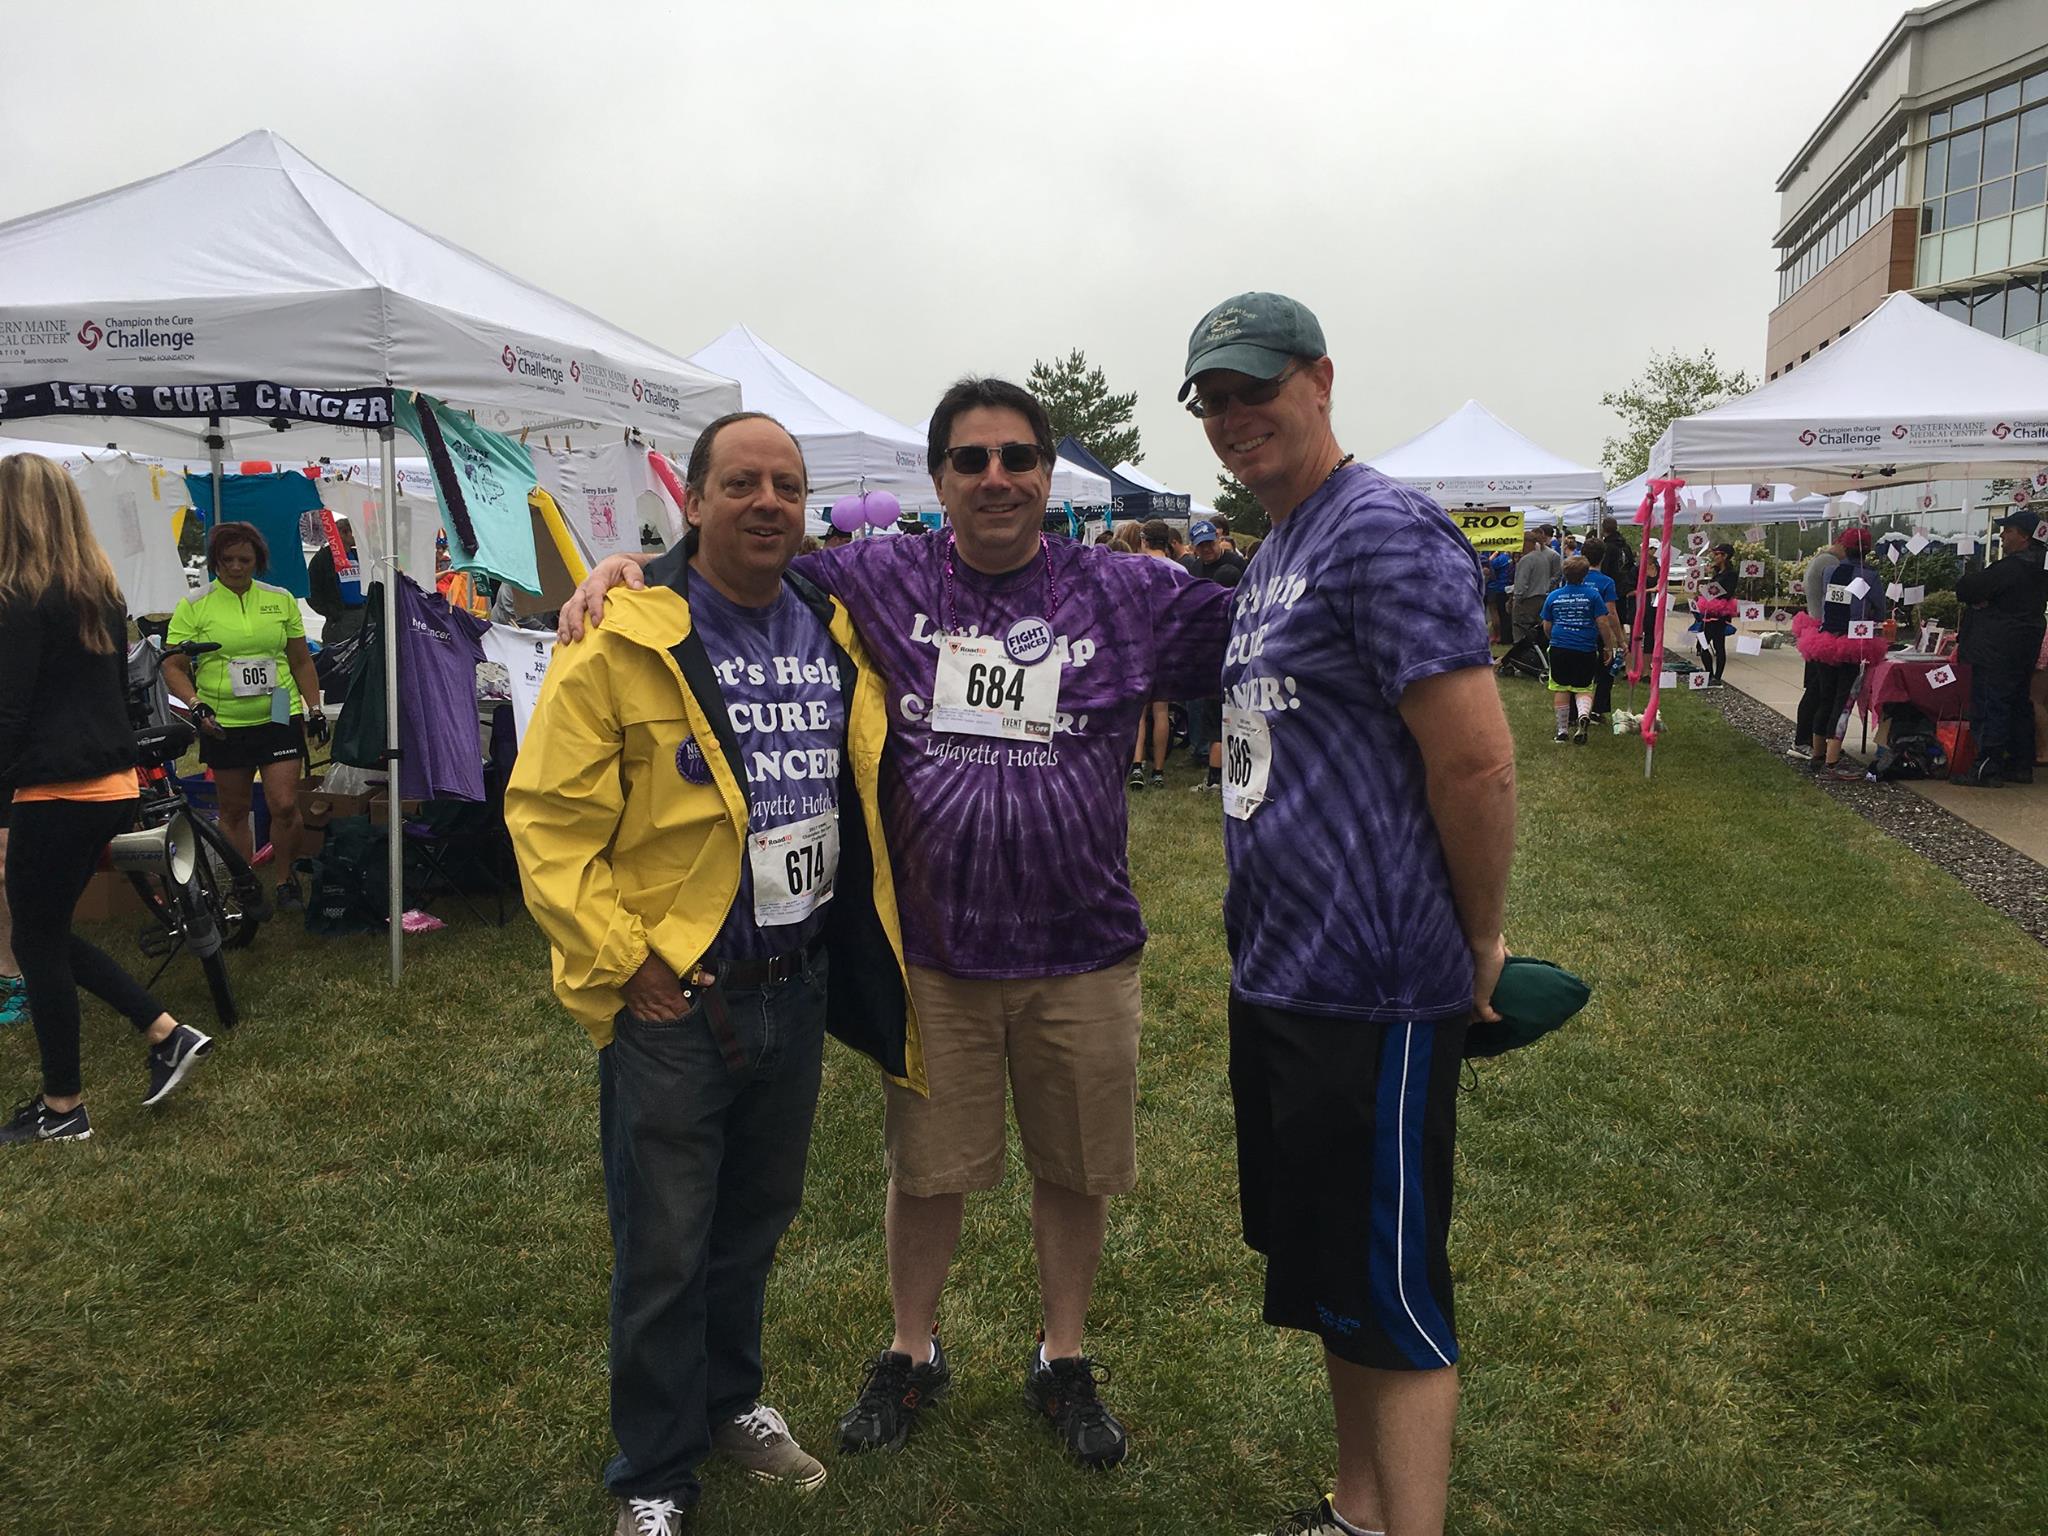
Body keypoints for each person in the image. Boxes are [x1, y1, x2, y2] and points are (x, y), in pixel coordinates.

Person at [559, 377, 1233, 1473]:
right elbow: (736, 564)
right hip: (935, 953)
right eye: (970, 460)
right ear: (937, 480)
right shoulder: (875, 578)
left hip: (1083, 948)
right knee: (927, 1170)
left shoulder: (1125, 590)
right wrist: (628, 569)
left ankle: (1063, 1356)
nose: (996, 478)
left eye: (1018, 457)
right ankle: (911, 1349)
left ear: (1049, 474)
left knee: (1075, 1168)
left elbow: (1263, 628)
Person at [507, 413, 921, 1534]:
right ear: (690, 501)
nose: (767, 501)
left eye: (787, 484)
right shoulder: (622, 633)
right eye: (740, 483)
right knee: (664, 1246)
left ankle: (729, 1401)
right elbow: (546, 820)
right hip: (678, 1000)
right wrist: (626, 959)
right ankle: (652, 1470)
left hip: (795, 979)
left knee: (752, 1223)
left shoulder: (834, 622)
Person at [1179, 292, 1515, 1536]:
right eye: (1211, 400)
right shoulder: (1278, 545)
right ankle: (1357, 1513)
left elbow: (1473, 761)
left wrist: (1476, 937)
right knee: (1334, 1280)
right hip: (1281, 972)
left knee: (1394, 1296)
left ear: (1318, 379)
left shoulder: (1381, 531)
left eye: (1254, 389)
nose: (1232, 416)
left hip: (1372, 986)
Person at [0, 453, 213, 1147]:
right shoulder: (98, 593)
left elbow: (8, 715)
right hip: (111, 783)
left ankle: (64, 1105)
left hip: (53, 789)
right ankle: (164, 1032)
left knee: (36, 940)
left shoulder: (18, 598)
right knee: (47, 933)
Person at [161, 522, 327, 915]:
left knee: (284, 803)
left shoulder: (279, 599)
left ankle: (285, 879)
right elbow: (172, 665)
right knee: (234, 810)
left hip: (278, 709)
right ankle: (245, 883)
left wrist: (314, 707)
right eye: (227, 560)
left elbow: (300, 661)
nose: (236, 567)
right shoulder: (195, 604)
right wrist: (195, 705)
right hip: (224, 719)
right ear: (215, 562)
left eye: (244, 560)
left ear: (258, 561)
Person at [1953, 508, 2048, 787]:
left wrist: (1981, 600)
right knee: (2018, 704)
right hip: (2023, 647)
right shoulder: (2041, 568)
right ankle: (2020, 764)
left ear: (2025, 537)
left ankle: (1986, 767)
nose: (2002, 536)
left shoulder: (2011, 567)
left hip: (1995, 648)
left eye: (2009, 531)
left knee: (1990, 705)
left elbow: (1967, 589)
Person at [1792, 526, 1888, 779]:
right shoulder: (1870, 576)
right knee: (1843, 701)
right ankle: (1832, 763)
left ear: (1844, 547)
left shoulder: (1830, 571)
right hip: (1853, 643)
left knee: (1825, 698)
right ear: (1867, 550)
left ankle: (1817, 755)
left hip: (1825, 641)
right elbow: (1880, 610)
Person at [1186, 517, 1249, 791]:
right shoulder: (1195, 568)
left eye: (1210, 543)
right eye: (1201, 546)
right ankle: (1212, 766)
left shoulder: (1237, 566)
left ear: (1219, 540)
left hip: (1236, 643)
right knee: (1211, 709)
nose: (1207, 549)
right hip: (1207, 645)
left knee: (1230, 711)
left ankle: (1223, 773)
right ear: (1194, 547)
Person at [1129, 520, 1182, 789]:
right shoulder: (1180, 570)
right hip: (1168, 643)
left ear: (1143, 539)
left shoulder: (1134, 567)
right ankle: (1158, 770)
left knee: (1138, 711)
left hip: (1139, 643)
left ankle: (1137, 764)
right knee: (1162, 709)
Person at [1787, 533, 1847, 759]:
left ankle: (1811, 739)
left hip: (1815, 629)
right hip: (1823, 631)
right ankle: (1803, 740)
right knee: (1817, 690)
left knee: (1817, 689)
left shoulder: (1821, 560)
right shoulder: (1829, 563)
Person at [1541, 557, 1609, 745]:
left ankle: (1562, 731)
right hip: (1585, 647)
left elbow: (1546, 624)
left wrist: (1553, 638)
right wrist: (1608, 645)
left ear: (1564, 574)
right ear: (1585, 575)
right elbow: (1603, 623)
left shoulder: (1554, 596)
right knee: (1584, 687)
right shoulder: (1593, 596)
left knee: (1561, 687)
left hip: (1559, 646)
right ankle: (1583, 714)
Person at [1690, 543, 1740, 685]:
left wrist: (1711, 591)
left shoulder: (1730, 574)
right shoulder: (1717, 573)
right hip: (1709, 611)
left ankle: (1716, 677)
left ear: (1725, 556)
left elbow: (1727, 593)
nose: (1715, 557)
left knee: (1718, 645)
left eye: (1717, 554)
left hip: (1720, 612)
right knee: (1703, 643)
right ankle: (1709, 674)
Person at [1509, 528, 1559, 643]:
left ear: (1526, 543)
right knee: (1537, 633)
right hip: (1542, 598)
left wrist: (1516, 599)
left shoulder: (1526, 560)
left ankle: (1521, 652)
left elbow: (1521, 583)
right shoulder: (1543, 557)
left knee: (1521, 631)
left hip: (1527, 601)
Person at [1482, 547, 1515, 644]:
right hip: (1504, 587)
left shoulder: (1499, 559)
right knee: (1502, 613)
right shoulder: (1507, 557)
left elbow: (1488, 566)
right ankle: (1500, 635)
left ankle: (1498, 635)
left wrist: (1492, 557)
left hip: (1495, 587)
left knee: (1494, 613)